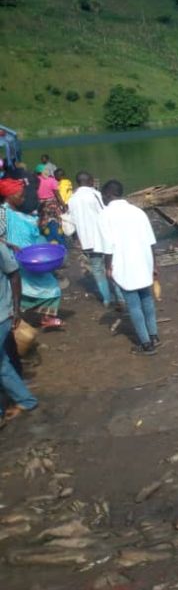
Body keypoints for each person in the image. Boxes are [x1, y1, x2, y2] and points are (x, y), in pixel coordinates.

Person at [98, 180, 160, 355]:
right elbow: (151, 241)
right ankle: (154, 335)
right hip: (143, 260)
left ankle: (146, 344)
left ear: (108, 195)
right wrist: (154, 264)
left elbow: (107, 246)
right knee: (146, 298)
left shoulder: (105, 215)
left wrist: (108, 267)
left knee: (133, 304)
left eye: (103, 195)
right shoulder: (137, 211)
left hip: (124, 263)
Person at [0, 180, 63, 328]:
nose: (23, 199)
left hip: (30, 259)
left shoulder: (21, 213)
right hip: (12, 259)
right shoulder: (2, 213)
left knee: (50, 285)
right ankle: (15, 315)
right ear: (9, 196)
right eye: (20, 196)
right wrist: (9, 244)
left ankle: (44, 317)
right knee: (20, 287)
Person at [68, 172, 123, 308]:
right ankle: (120, 297)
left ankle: (106, 299)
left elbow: (71, 222)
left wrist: (77, 239)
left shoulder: (72, 199)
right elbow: (105, 211)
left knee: (97, 269)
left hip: (86, 241)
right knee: (111, 266)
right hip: (103, 237)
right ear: (91, 181)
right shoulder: (95, 194)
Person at [0, 240, 37, 425]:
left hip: (1, 315)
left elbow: (14, 275)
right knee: (3, 364)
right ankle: (25, 399)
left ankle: (23, 400)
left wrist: (16, 309)